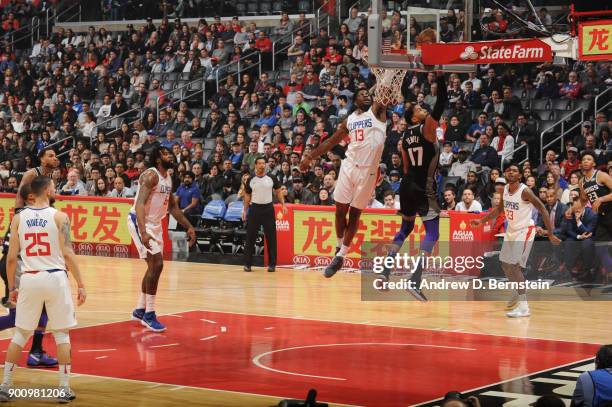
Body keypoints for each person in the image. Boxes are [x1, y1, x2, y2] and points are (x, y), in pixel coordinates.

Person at [0, 176, 86, 403]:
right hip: (55, 278)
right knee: (61, 334)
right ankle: (64, 389)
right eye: (54, 187)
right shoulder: (60, 217)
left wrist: (11, 289)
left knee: (20, 334)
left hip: (28, 278)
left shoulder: (19, 218)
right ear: (47, 191)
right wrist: (81, 283)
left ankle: (6, 385)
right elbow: (68, 253)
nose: (55, 189)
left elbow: (10, 258)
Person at [299, 86, 389, 278]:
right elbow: (331, 142)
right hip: (349, 166)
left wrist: (387, 73)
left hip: (369, 172)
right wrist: (309, 157)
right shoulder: (350, 120)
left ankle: (341, 255)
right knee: (340, 211)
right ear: (355, 100)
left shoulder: (377, 113)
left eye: (368, 94)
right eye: (362, 94)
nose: (367, 96)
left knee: (355, 214)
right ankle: (339, 246)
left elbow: (383, 90)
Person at [377, 72, 448, 301]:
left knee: (405, 230)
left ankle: (384, 273)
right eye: (418, 109)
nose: (421, 107)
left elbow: (405, 167)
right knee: (433, 232)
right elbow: (442, 103)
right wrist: (441, 78)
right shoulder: (426, 127)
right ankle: (415, 280)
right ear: (415, 118)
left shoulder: (405, 136)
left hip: (406, 186)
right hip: (422, 187)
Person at [472, 164, 560, 317]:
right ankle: (518, 291)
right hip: (511, 231)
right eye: (508, 170)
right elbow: (500, 210)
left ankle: (524, 307)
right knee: (505, 264)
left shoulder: (525, 191)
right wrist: (482, 221)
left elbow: (543, 209)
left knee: (514, 266)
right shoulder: (505, 189)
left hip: (524, 230)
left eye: (514, 171)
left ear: (520, 175)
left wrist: (550, 233)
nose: (510, 172)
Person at [0, 148, 59, 368]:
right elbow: (19, 200)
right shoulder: (30, 177)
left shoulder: (47, 186)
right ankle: (34, 352)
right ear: (41, 158)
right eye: (50, 155)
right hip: (14, 266)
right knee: (18, 318)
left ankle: (36, 351)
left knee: (43, 307)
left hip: (25, 265)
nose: (54, 159)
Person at [127, 147, 196, 332]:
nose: (170, 156)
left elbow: (172, 207)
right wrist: (143, 231)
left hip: (155, 224)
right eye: (165, 154)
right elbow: (140, 204)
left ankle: (140, 310)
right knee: (157, 264)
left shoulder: (168, 178)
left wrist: (188, 226)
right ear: (158, 159)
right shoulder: (151, 175)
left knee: (153, 266)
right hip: (140, 221)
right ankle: (149, 314)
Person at [242, 157, 287, 272]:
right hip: (255, 209)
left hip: (268, 208)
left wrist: (283, 204)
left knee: (271, 236)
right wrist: (245, 210)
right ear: (255, 165)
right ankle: (247, 264)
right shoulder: (251, 179)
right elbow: (247, 195)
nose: (262, 165)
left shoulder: (271, 177)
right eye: (260, 163)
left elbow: (278, 191)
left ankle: (272, 264)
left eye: (264, 163)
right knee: (250, 236)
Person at [579, 151, 612, 275]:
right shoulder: (582, 182)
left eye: (589, 159)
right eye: (584, 159)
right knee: (601, 248)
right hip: (600, 217)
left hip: (611, 213)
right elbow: (583, 200)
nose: (586, 161)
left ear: (593, 163)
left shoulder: (601, 175)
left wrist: (601, 199)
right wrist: (573, 209)